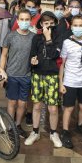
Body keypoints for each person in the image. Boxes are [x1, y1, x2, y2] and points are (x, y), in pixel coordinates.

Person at [25, 11, 63, 148]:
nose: (49, 26)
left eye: (51, 24)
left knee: (53, 108)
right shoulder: (36, 38)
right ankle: (35, 132)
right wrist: (33, 61)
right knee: (37, 106)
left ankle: (54, 133)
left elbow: (54, 54)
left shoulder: (58, 37)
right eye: (46, 23)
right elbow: (32, 56)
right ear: (41, 24)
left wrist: (48, 38)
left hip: (52, 76)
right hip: (37, 75)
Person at [59, 14, 82, 149]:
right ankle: (65, 131)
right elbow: (62, 64)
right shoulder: (67, 42)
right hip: (70, 80)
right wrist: (61, 83)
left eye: (81, 25)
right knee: (68, 108)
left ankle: (80, 126)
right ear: (71, 27)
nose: (78, 28)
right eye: (75, 25)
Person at [0, 9, 35, 139]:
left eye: (27, 19)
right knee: (12, 103)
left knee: (22, 104)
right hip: (12, 75)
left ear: (30, 21)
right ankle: (10, 127)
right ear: (17, 20)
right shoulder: (10, 36)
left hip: (26, 76)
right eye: (22, 19)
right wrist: (2, 72)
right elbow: (4, 55)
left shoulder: (33, 37)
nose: (24, 22)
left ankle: (18, 125)